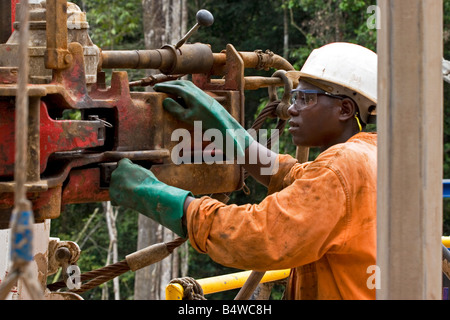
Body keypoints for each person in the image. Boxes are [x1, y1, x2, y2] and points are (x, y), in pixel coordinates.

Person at [109, 42, 378, 300]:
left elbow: (261, 236)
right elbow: (289, 175)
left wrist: (153, 194)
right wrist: (228, 132)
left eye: (305, 99)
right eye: (294, 97)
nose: (292, 109)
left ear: (345, 108)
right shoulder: (372, 157)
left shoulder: (341, 167)